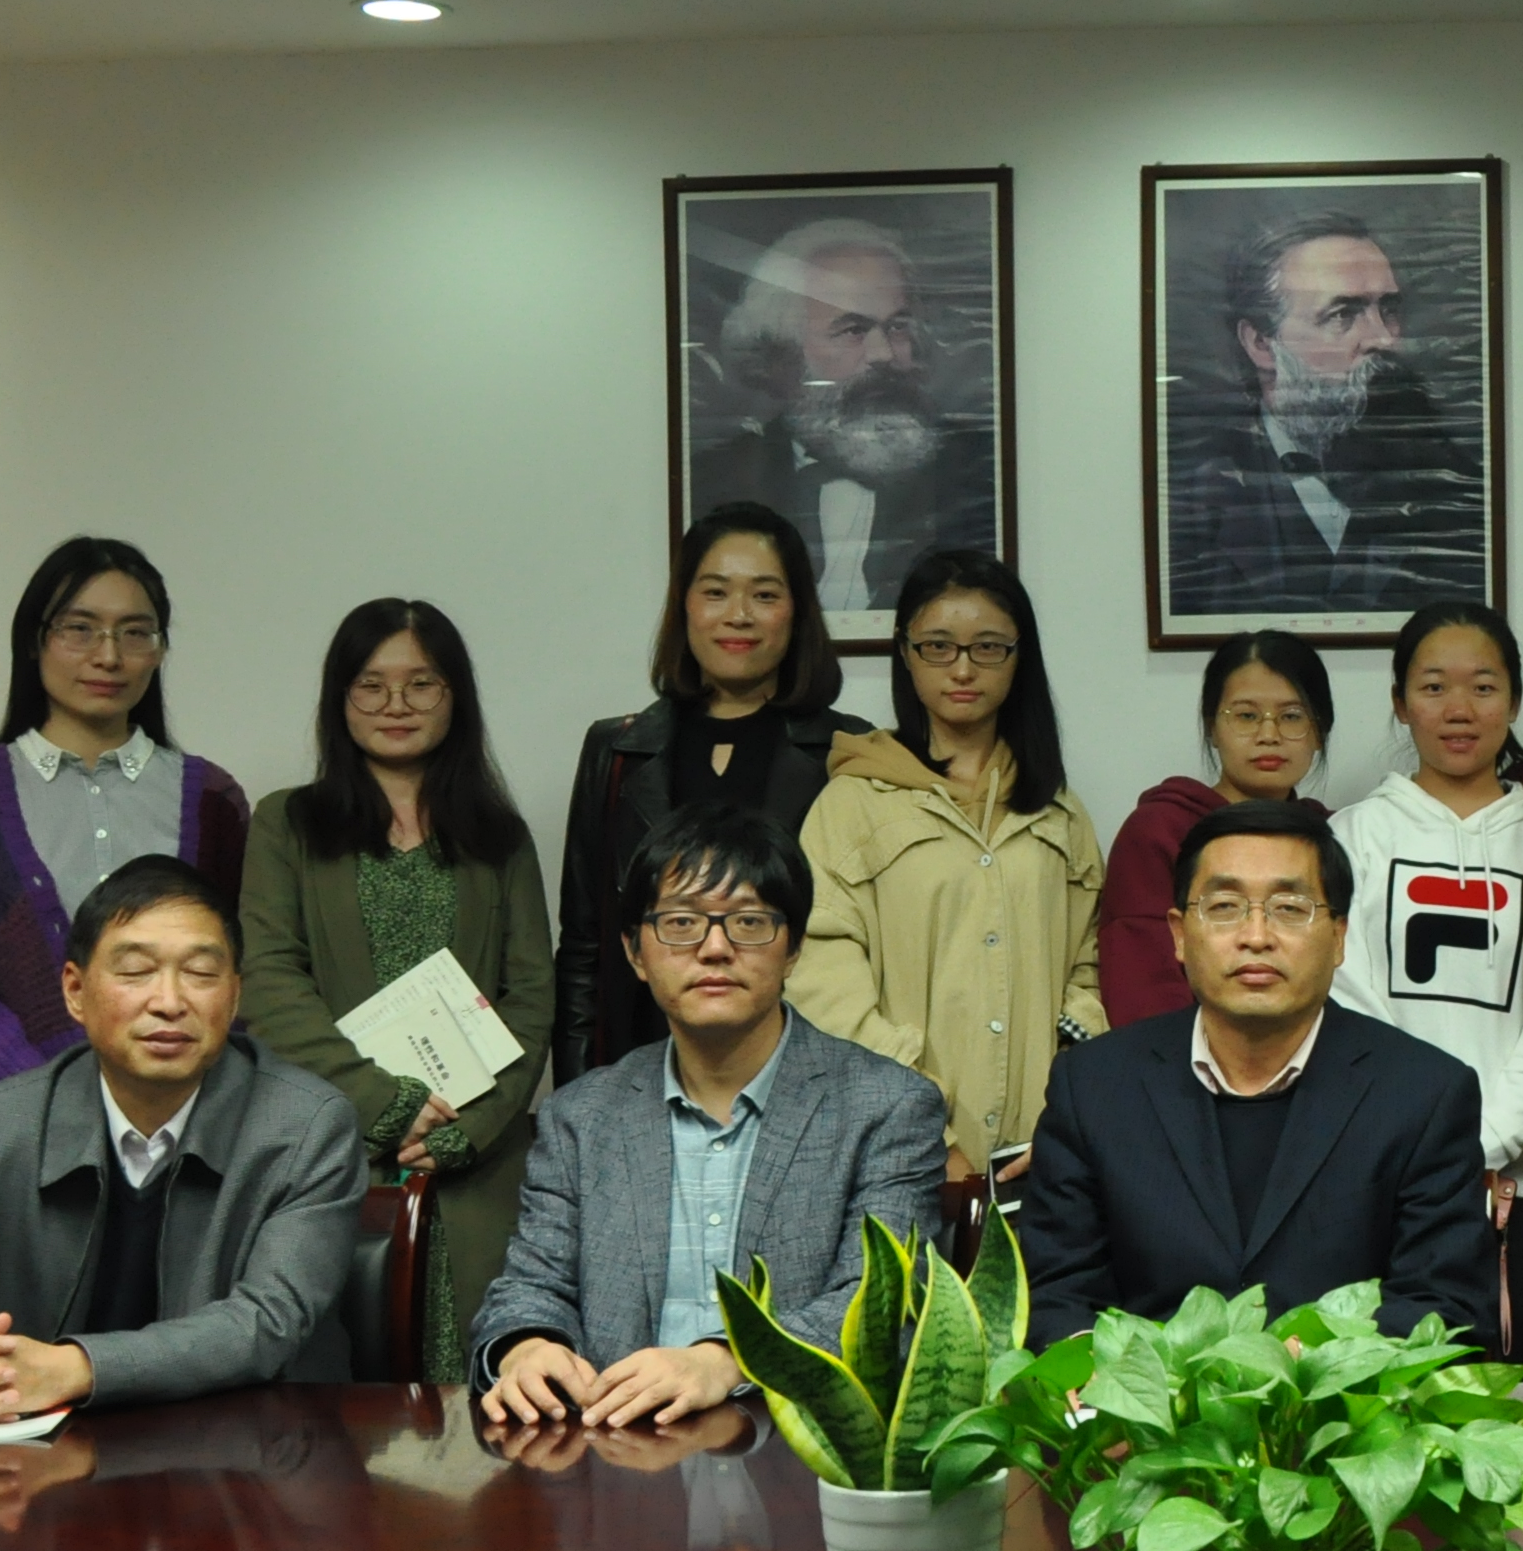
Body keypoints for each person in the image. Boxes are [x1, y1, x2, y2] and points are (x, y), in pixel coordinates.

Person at [0, 857, 366, 1417]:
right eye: (136, 971)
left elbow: (267, 1322)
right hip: (42, 1455)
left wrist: (71, 1369)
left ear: (234, 997)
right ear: (75, 990)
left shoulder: (306, 1126)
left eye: (201, 973)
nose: (169, 1001)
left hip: (252, 1445)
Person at [474, 805, 946, 1428]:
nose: (715, 948)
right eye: (681, 923)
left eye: (749, 922)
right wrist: (526, 1345)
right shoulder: (581, 1116)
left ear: (793, 948)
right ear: (635, 953)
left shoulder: (887, 1106)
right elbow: (531, 1285)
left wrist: (728, 1361)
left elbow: (881, 1304)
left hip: (803, 1448)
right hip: (614, 1448)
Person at [1017, 798, 1499, 1345]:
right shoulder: (1094, 1086)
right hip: (1140, 1397)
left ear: (1339, 937)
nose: (1256, 936)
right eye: (1224, 907)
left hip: (1339, 1396)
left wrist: (1311, 1363)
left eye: (1290, 908)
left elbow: (1446, 1307)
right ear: (1179, 934)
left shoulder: (1424, 1093)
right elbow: (1053, 1296)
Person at [237, 598, 553, 1380]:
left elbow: (531, 995)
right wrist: (386, 1103)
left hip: (478, 1164)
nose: (396, 705)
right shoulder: (286, 824)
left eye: (422, 684)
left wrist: (466, 1130)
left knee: (490, 1399)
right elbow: (270, 983)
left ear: (455, 697)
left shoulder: (500, 836)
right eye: (371, 685)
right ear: (340, 698)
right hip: (333, 1151)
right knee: (342, 1410)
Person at [0, 538, 251, 1113]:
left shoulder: (214, 798)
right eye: (79, 629)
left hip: (193, 1134)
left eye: (135, 633)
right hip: (15, 1138)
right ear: (34, 641)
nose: (108, 656)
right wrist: (50, 1127)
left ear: (160, 650)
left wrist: (180, 1124)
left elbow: (237, 984)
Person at [789, 548, 1107, 1183]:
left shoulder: (1058, 812)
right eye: (938, 646)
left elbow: (1089, 967)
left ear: (1019, 657)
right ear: (905, 653)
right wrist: (924, 1125)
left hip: (1039, 1156)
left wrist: (1065, 1113)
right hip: (893, 1152)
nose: (962, 668)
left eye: (987, 647)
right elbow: (823, 989)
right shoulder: (852, 805)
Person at [1329, 605, 1523, 1370]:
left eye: (1484, 687)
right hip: (1385, 1176)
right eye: (1434, 687)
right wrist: (1426, 1148)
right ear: (1400, 702)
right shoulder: (1351, 836)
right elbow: (1346, 1000)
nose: (1460, 710)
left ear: (1515, 701)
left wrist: (1488, 1140)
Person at [553, 502, 867, 1084]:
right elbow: (584, 948)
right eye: (716, 592)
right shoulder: (617, 751)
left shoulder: (848, 751)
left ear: (798, 612)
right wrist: (576, 1094)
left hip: (804, 1076)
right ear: (685, 607)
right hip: (641, 1071)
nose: (738, 616)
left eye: (765, 595)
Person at [1169, 212, 1482, 617]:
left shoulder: (1453, 486)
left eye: (1388, 309)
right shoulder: (1196, 501)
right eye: (1342, 315)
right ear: (1261, 344)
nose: (1384, 339)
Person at [689, 216, 997, 620]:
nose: (883, 354)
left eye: (898, 327)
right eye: (853, 330)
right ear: (783, 351)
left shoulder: (978, 474)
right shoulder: (713, 482)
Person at [1101, 632, 1333, 1024]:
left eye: (1292, 716)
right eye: (1246, 716)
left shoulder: (1335, 836)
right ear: (1212, 727)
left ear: (1319, 731)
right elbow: (1142, 985)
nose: (1269, 735)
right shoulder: (1159, 830)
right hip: (1188, 1056)